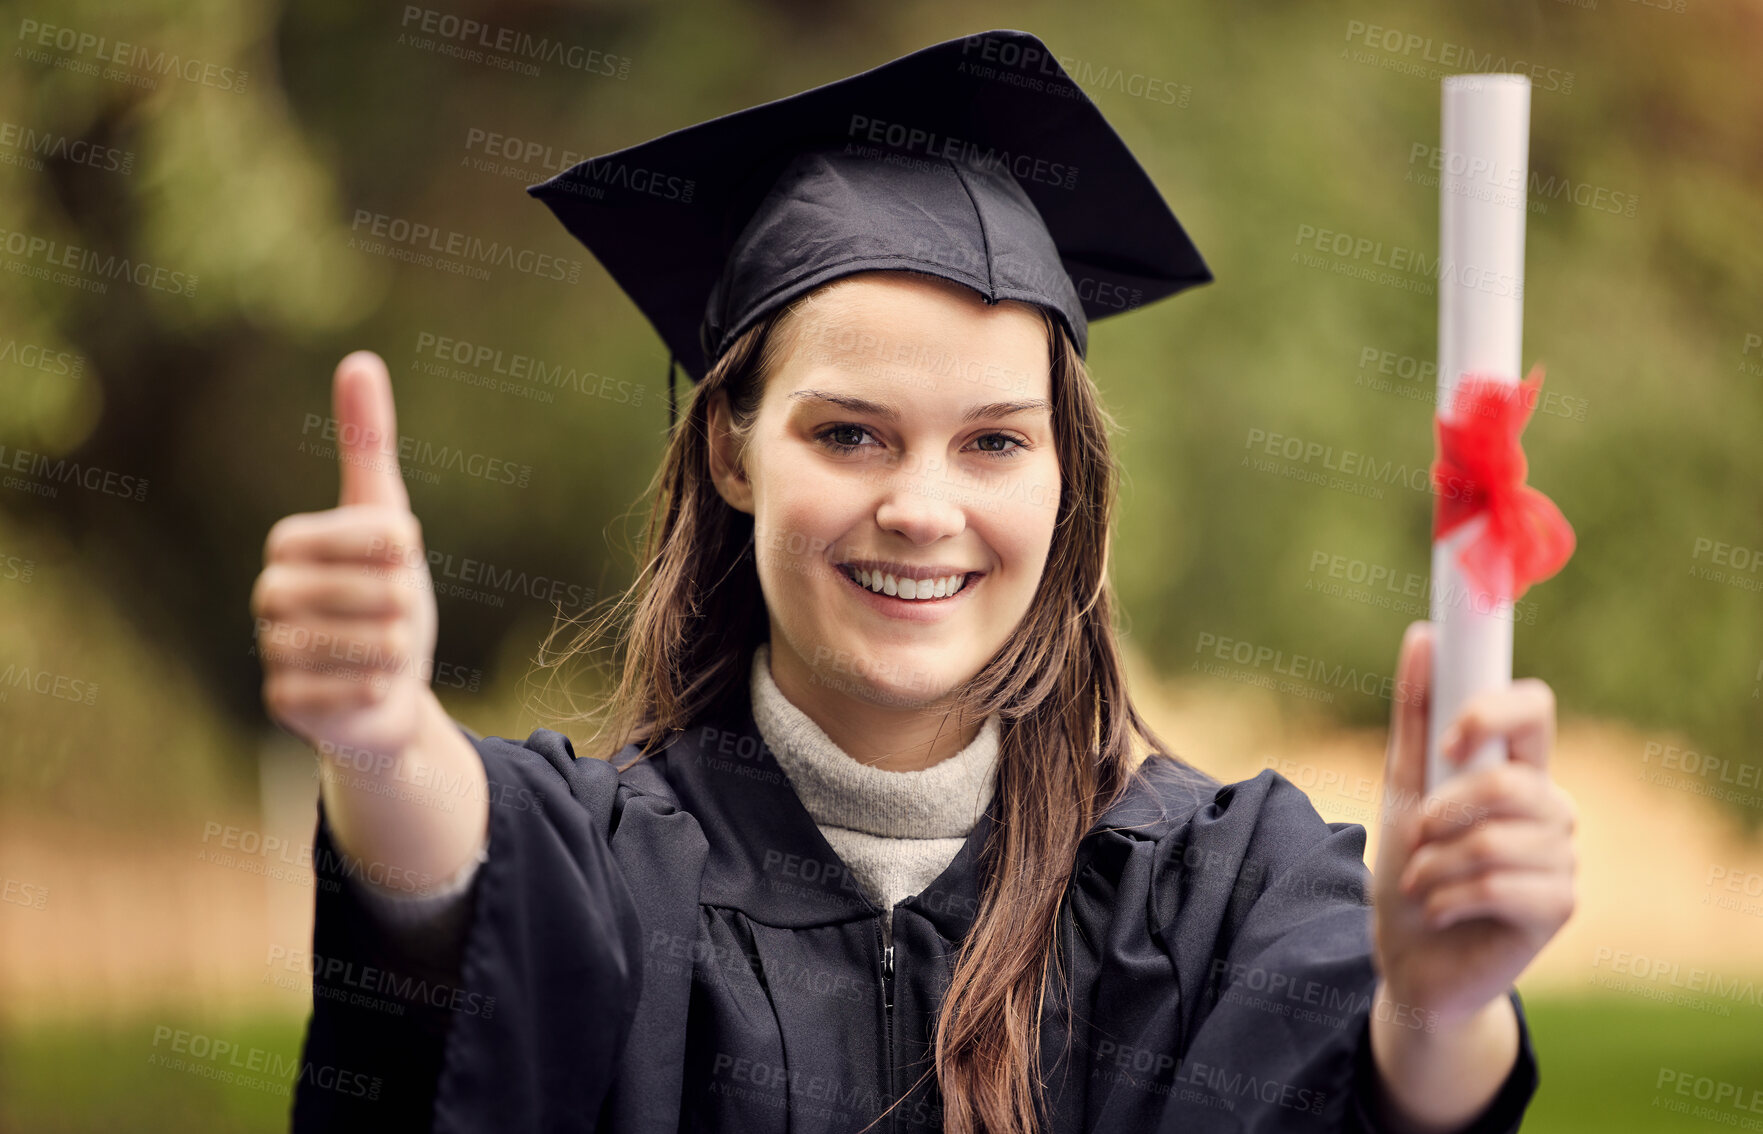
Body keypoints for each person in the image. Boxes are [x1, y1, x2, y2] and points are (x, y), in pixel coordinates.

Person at [252, 29, 1576, 1134]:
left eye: (994, 440)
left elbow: (1386, 1086)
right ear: (732, 449)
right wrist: (378, 739)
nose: (923, 508)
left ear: (1067, 481)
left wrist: (1443, 1008)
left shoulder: (1217, 893)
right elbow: (454, 865)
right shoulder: (609, 872)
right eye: (848, 432)